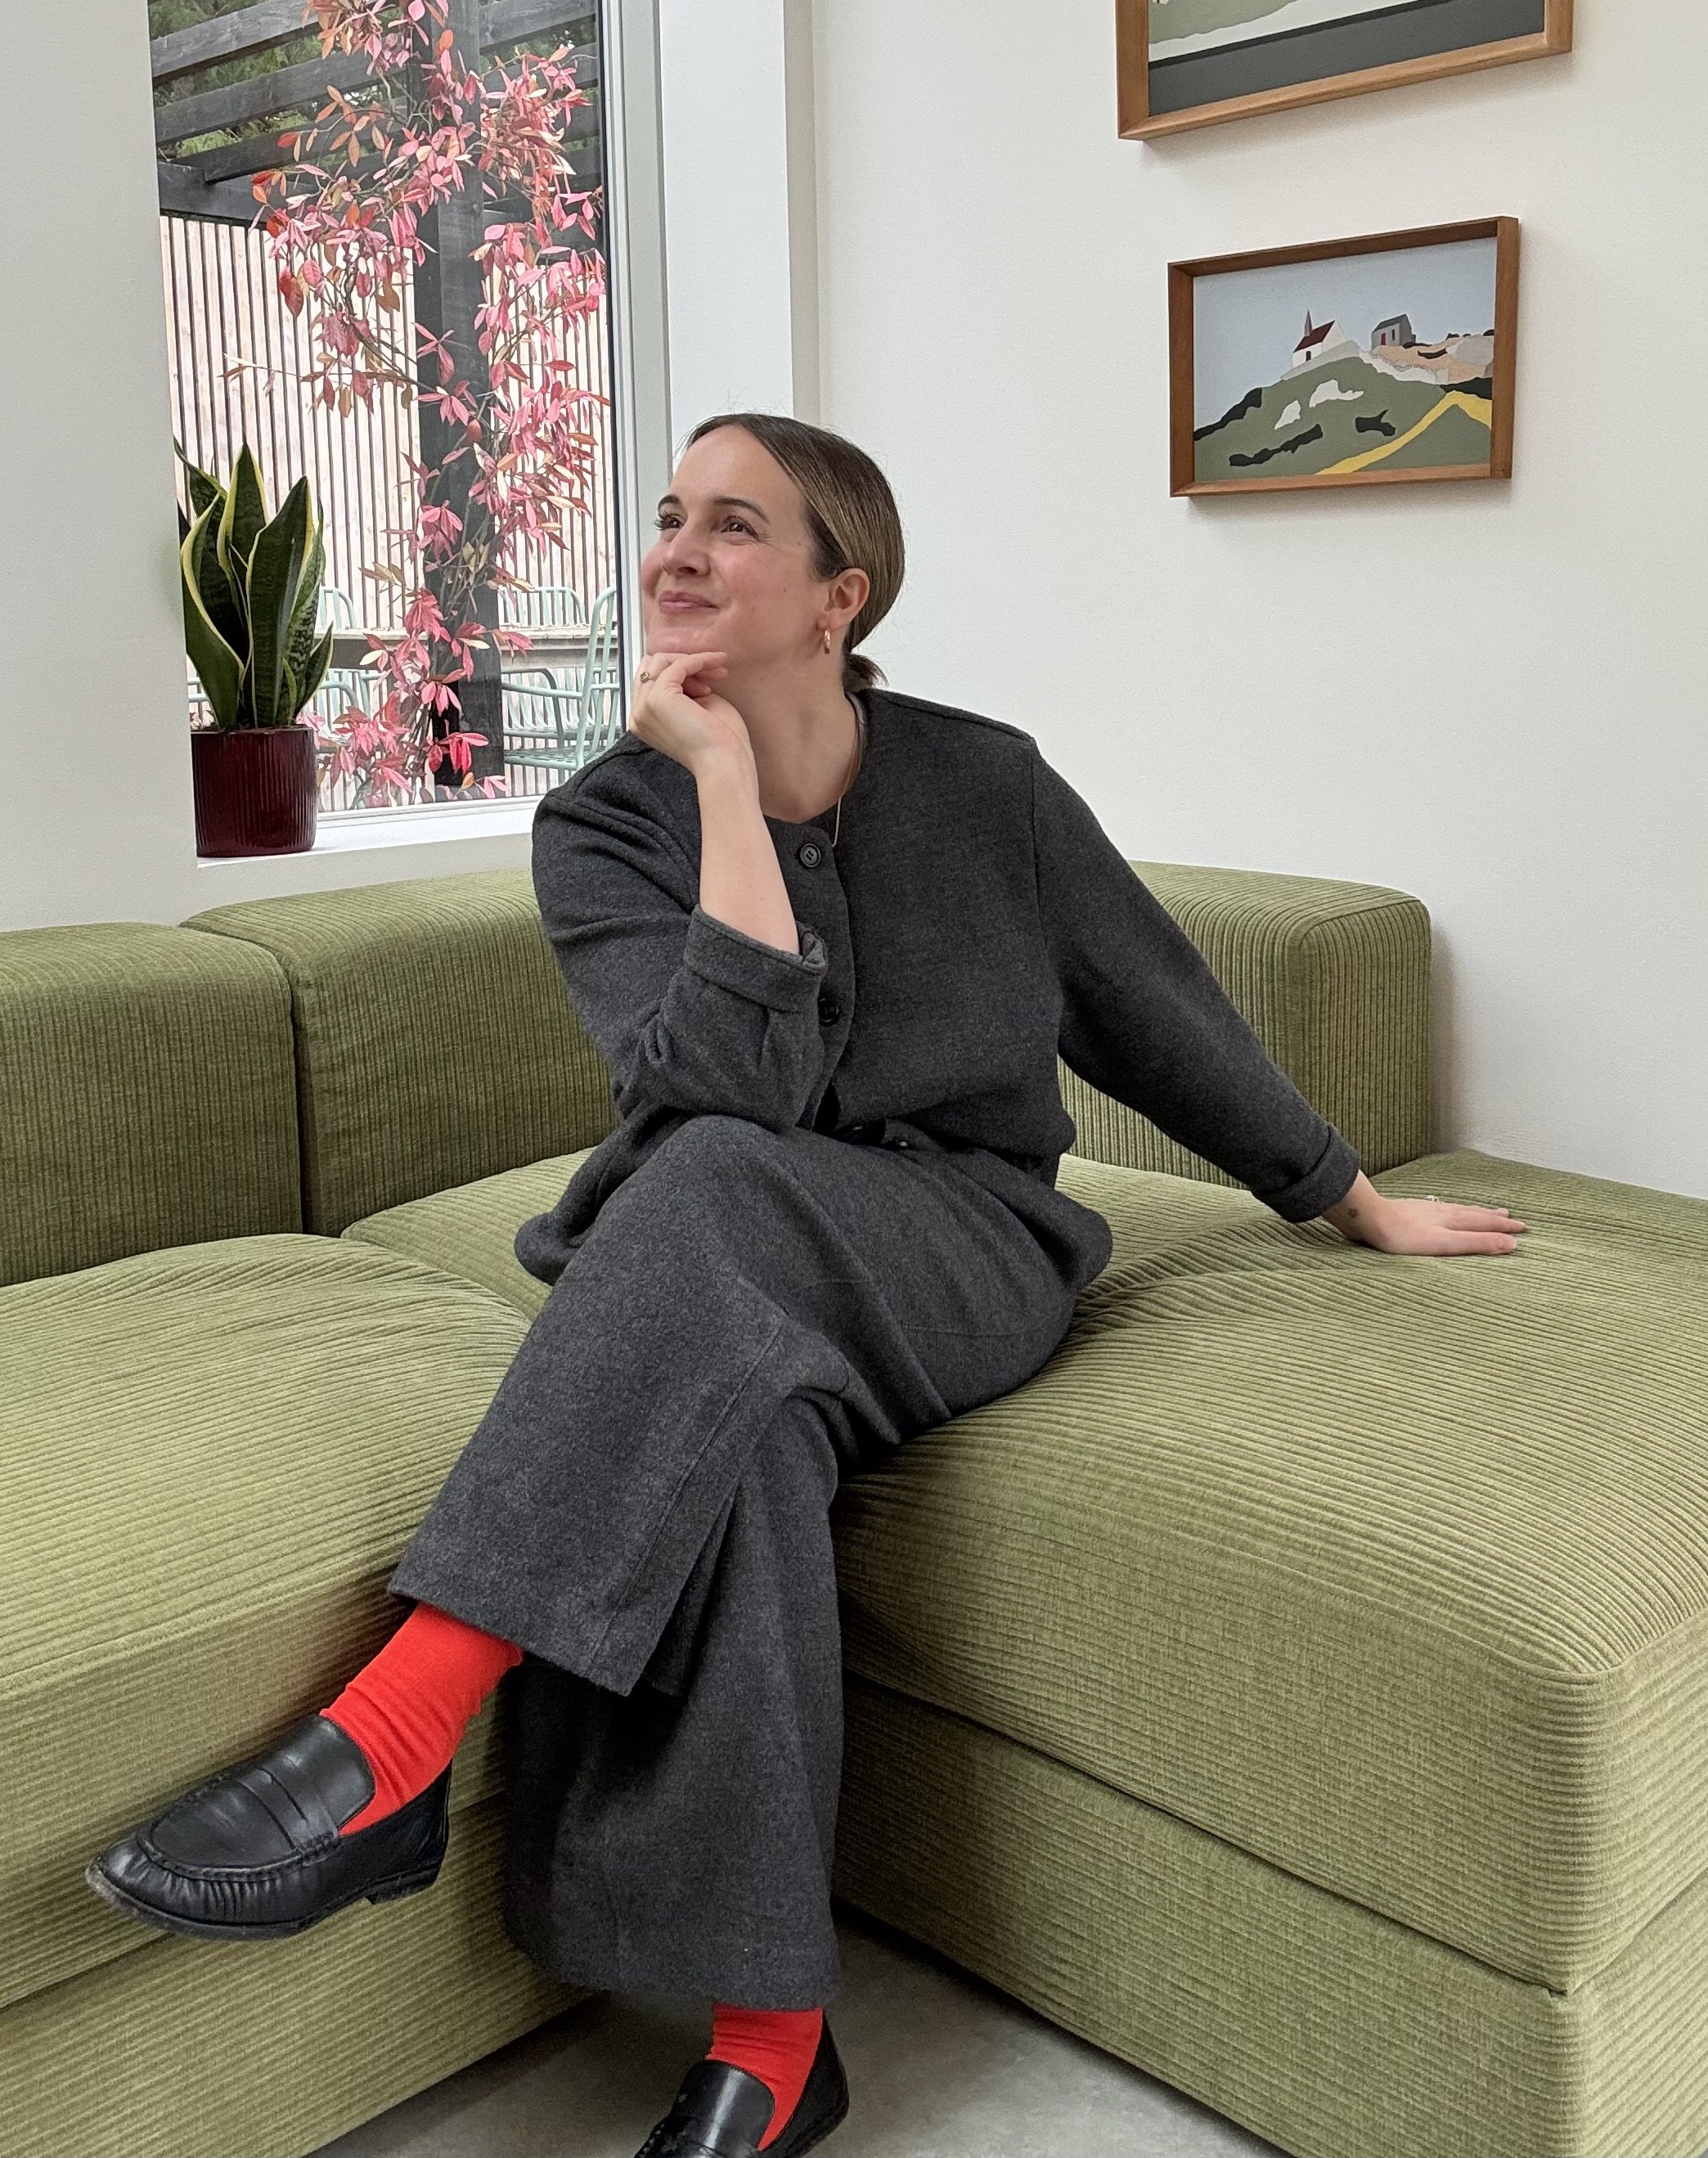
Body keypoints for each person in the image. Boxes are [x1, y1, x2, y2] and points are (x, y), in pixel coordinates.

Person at [87, 413, 1527, 2158]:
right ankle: (773, 2047)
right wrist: (716, 786)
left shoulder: (988, 784)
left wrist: (1347, 1195)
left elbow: (1159, 1011)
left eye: (735, 524)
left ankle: (395, 1737)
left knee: (700, 1195)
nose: (677, 552)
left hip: (965, 1245)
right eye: (669, 516)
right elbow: (731, 1087)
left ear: (842, 594)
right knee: (746, 1428)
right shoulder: (603, 827)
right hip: (728, 1250)